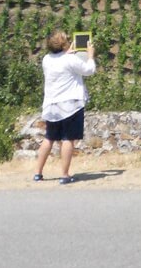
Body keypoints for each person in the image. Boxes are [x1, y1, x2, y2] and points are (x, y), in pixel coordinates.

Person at [34, 31, 96, 185]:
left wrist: (67, 53)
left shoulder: (46, 60)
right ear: (63, 44)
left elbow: (60, 61)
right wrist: (90, 55)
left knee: (49, 138)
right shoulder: (70, 60)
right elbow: (89, 70)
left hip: (51, 106)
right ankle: (65, 174)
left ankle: (37, 173)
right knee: (68, 139)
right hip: (71, 105)